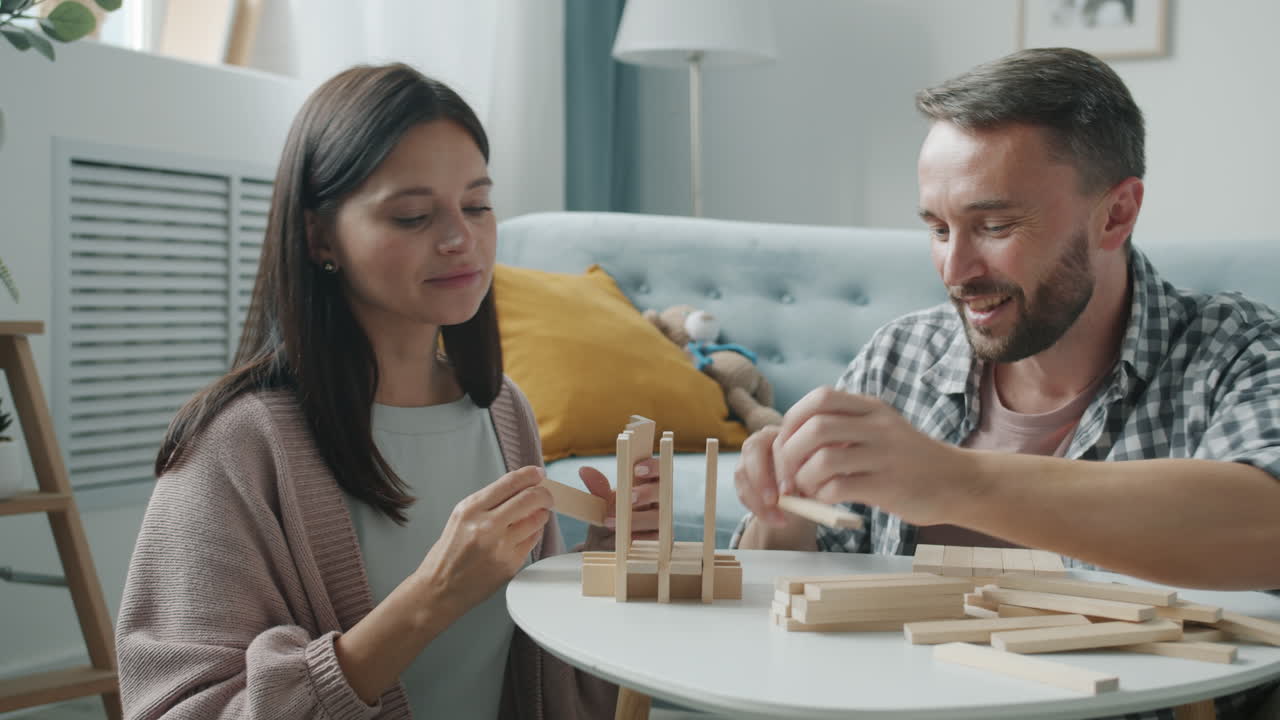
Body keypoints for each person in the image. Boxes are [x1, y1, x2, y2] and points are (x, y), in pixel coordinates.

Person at [733, 47, 1280, 718]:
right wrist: (782, 513)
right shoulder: (899, 355)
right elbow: (786, 611)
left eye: (994, 226)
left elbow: (1268, 523)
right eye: (939, 229)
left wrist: (955, 482)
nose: (955, 270)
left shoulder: (1235, 350)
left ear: (1116, 214)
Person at [116, 63, 657, 719]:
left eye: (477, 205)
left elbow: (538, 679)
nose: (461, 239)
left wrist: (605, 560)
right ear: (319, 237)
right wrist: (430, 598)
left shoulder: (502, 411)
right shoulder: (234, 446)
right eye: (412, 216)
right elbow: (177, 709)